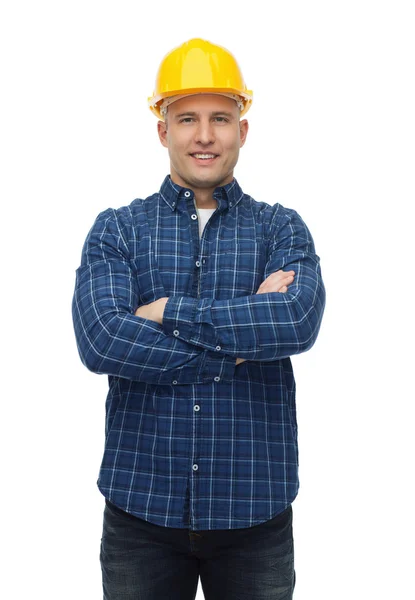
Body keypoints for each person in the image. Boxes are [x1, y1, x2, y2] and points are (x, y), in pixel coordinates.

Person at [72, 37, 325, 600]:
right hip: (141, 515)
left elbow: (297, 322)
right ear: (163, 130)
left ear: (243, 129)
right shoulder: (118, 229)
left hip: (254, 515)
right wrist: (240, 342)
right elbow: (102, 339)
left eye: (220, 118)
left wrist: (165, 313)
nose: (204, 135)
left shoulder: (281, 228)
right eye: (187, 118)